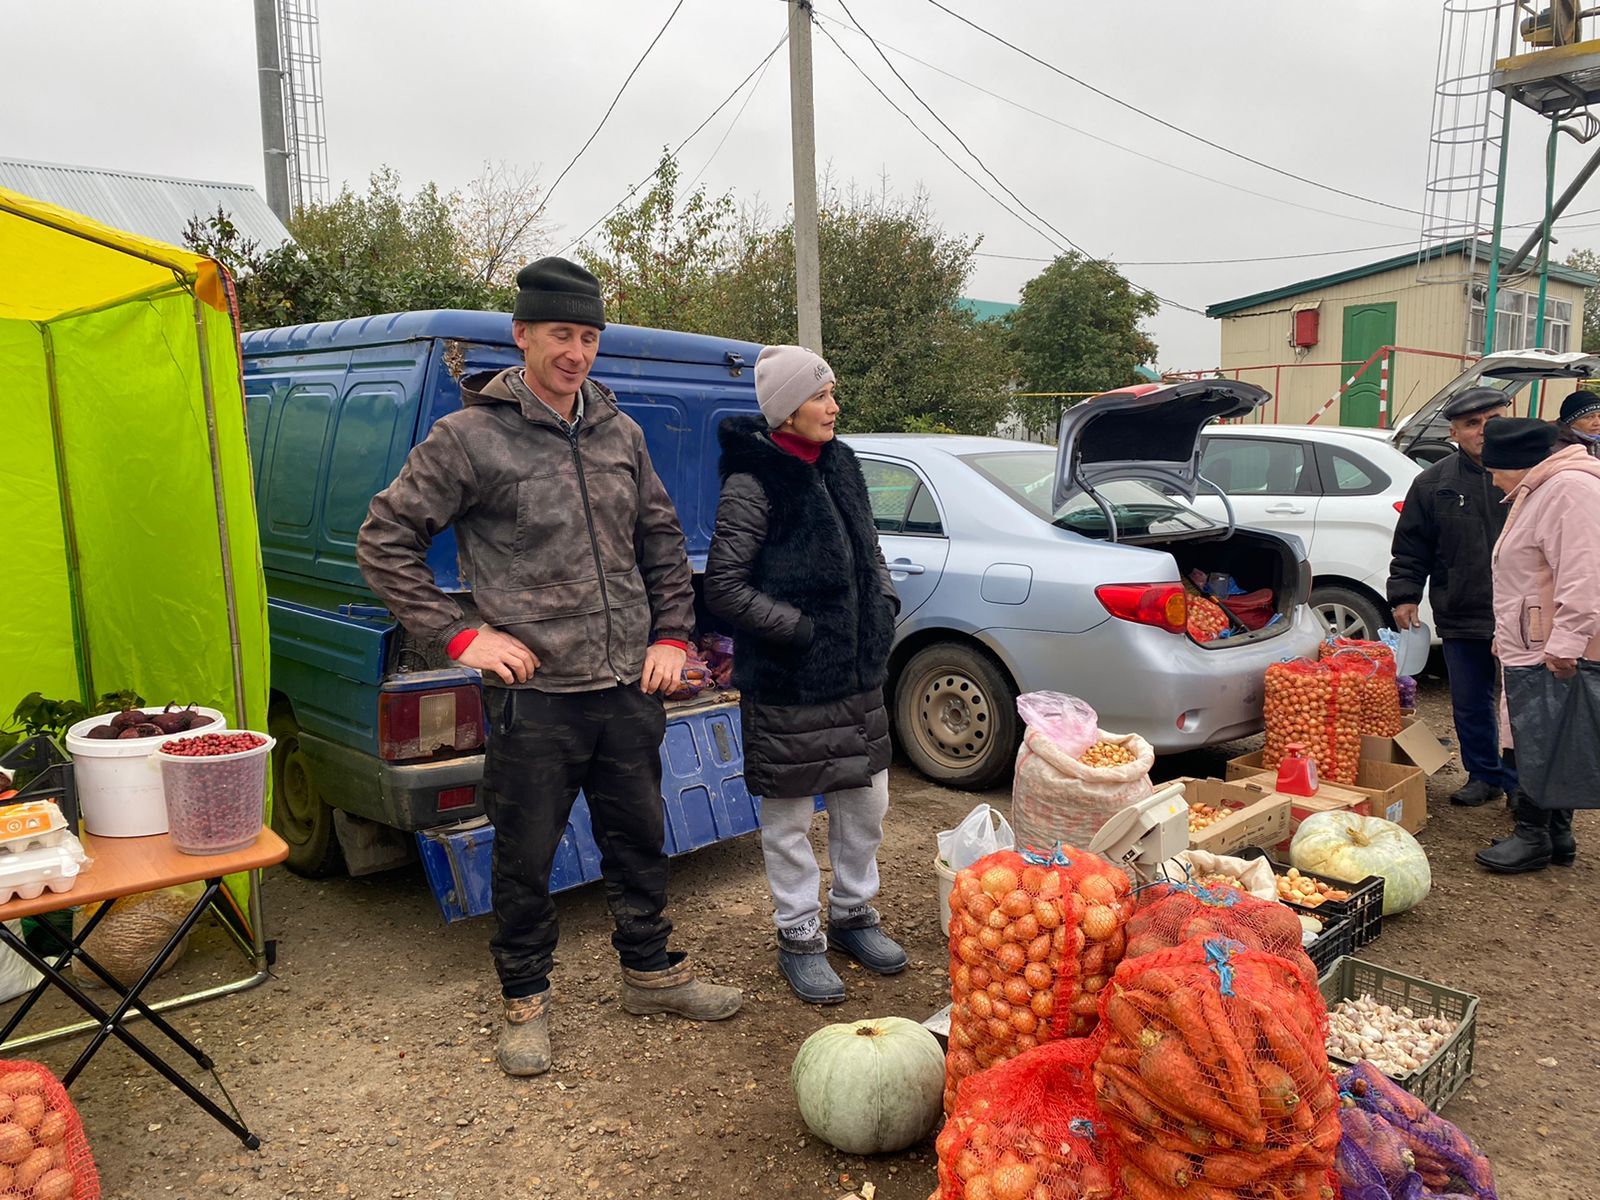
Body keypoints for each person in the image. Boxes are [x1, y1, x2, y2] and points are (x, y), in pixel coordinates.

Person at [356, 257, 741, 1077]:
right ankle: (525, 1001)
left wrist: (673, 635)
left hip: (627, 684)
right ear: (523, 335)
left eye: (589, 336)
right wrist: (461, 638)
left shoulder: (620, 432)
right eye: (561, 333)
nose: (576, 351)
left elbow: (663, 543)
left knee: (640, 837)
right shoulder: (468, 438)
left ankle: (650, 970)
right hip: (536, 697)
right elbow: (384, 544)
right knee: (525, 855)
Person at [702, 345, 906, 1005]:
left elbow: (867, 548)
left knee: (866, 803)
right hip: (789, 682)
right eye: (822, 395)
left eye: (832, 393)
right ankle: (798, 935)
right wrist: (803, 632)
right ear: (787, 407)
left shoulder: (841, 463)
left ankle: (853, 915)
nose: (834, 406)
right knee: (789, 818)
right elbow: (725, 590)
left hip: (856, 675)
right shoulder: (754, 481)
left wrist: (883, 604)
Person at [1477, 417, 1600, 872]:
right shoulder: (1545, 488)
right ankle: (1556, 833)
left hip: (1553, 644)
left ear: (1518, 462)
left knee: (1541, 734)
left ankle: (1533, 835)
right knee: (1548, 733)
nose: (1492, 478)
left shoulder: (1569, 491)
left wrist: (1567, 642)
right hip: (1535, 635)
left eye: (1495, 469)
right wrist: (1504, 632)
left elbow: (1584, 573)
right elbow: (1529, 574)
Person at [1387, 386, 1517, 807]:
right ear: (1454, 432)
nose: (1483, 430)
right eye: (1472, 424)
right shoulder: (1433, 483)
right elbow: (1412, 545)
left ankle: (1522, 786)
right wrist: (1405, 595)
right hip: (1463, 609)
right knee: (1470, 701)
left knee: (1519, 707)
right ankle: (1484, 775)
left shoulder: (1533, 474)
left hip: (1523, 615)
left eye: (1493, 420)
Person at [1557, 389, 1600, 454]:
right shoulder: (1556, 450)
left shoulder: (1596, 444)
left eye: (1599, 416)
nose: (1597, 423)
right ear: (1571, 421)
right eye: (1589, 417)